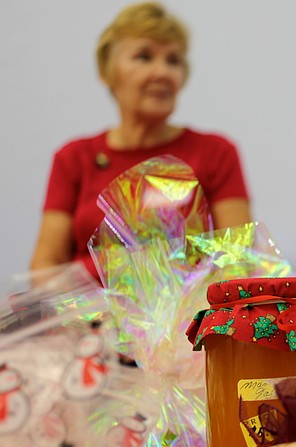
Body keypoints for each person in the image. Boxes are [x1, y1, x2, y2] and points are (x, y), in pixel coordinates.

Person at [30, 2, 252, 281]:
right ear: (108, 72)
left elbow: (239, 261)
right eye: (144, 57)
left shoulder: (216, 152)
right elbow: (45, 266)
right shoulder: (74, 157)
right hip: (89, 320)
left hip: (189, 319)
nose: (163, 72)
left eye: (173, 60)